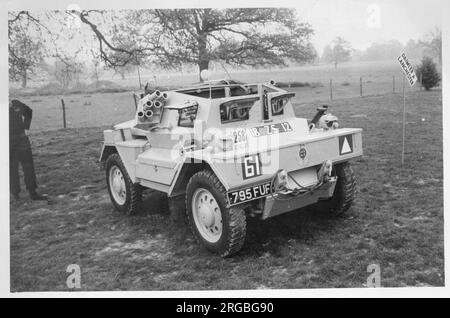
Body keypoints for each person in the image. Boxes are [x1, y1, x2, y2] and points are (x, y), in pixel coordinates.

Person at [9, 99, 47, 202]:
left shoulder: (16, 103)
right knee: (12, 168)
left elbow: (29, 111)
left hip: (22, 140)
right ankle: (15, 195)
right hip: (8, 142)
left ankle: (33, 193)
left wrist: (26, 128)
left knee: (28, 166)